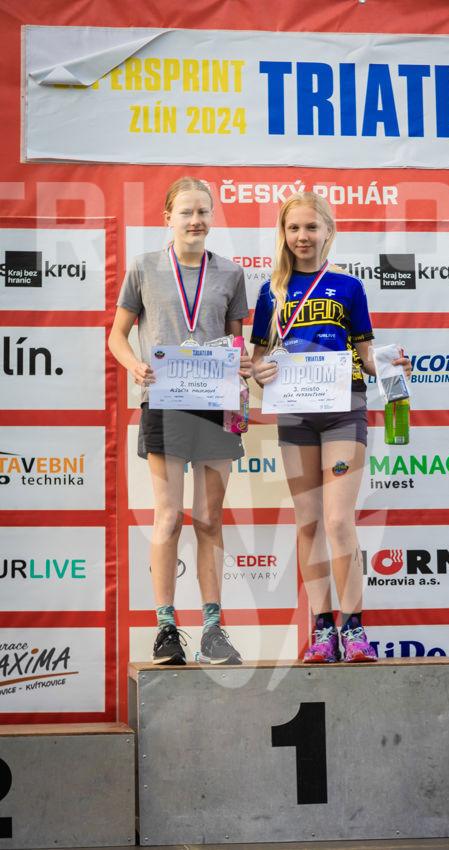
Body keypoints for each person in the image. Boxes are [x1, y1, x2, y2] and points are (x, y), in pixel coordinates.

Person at [251, 192, 410, 663]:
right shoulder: (270, 292)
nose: (302, 236)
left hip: (344, 409)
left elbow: (366, 355)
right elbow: (258, 362)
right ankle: (323, 629)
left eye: (311, 227)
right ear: (283, 234)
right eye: (293, 228)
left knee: (339, 521)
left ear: (328, 232)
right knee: (308, 523)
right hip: (296, 414)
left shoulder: (349, 287)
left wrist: (393, 365)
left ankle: (354, 628)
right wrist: (259, 372)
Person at [109, 176, 251, 666]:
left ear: (212, 217)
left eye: (203, 212)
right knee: (168, 517)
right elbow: (117, 335)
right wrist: (135, 365)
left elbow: (235, 343)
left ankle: (212, 629)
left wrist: (242, 370)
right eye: (186, 212)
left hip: (214, 406)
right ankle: (166, 628)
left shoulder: (231, 273)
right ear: (167, 217)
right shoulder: (144, 267)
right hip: (164, 403)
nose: (195, 221)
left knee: (209, 518)